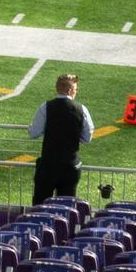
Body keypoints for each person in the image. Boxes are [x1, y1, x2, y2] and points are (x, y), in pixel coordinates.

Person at [27, 73, 95, 204]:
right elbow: (87, 137)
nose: (76, 92)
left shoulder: (45, 107)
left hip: (48, 165)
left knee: (40, 204)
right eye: (76, 89)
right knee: (66, 207)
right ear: (70, 90)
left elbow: (34, 133)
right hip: (70, 166)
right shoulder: (81, 109)